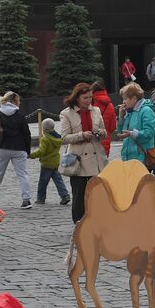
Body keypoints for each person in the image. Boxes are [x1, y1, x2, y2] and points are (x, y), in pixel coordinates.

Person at [58, 82, 107, 223]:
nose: (88, 100)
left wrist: (101, 133)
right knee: (79, 196)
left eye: (90, 97)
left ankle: (97, 223)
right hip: (78, 161)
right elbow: (64, 137)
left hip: (96, 160)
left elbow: (104, 132)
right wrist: (81, 135)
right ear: (77, 97)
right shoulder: (66, 113)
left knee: (98, 195)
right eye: (85, 98)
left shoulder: (96, 111)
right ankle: (79, 224)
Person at [0, 91, 33, 209]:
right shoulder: (20, 115)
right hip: (19, 148)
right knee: (22, 174)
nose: (19, 103)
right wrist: (27, 151)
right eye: (18, 101)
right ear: (14, 101)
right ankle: (26, 200)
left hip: (1, 148)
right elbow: (27, 135)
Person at [29, 118, 70, 205]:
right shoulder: (58, 137)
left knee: (42, 183)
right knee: (58, 181)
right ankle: (65, 196)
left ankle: (40, 199)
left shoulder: (45, 139)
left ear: (44, 128)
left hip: (46, 163)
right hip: (55, 162)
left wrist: (31, 155)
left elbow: (41, 151)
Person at [116, 83, 155, 169]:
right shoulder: (130, 112)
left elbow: (149, 133)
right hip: (128, 157)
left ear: (134, 99)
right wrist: (121, 116)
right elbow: (121, 133)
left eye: (125, 99)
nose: (123, 102)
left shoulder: (146, 111)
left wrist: (131, 133)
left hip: (141, 158)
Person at [90, 82, 116, 157]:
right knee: (103, 162)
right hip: (105, 139)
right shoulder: (110, 105)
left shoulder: (89, 103)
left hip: (91, 139)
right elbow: (112, 127)